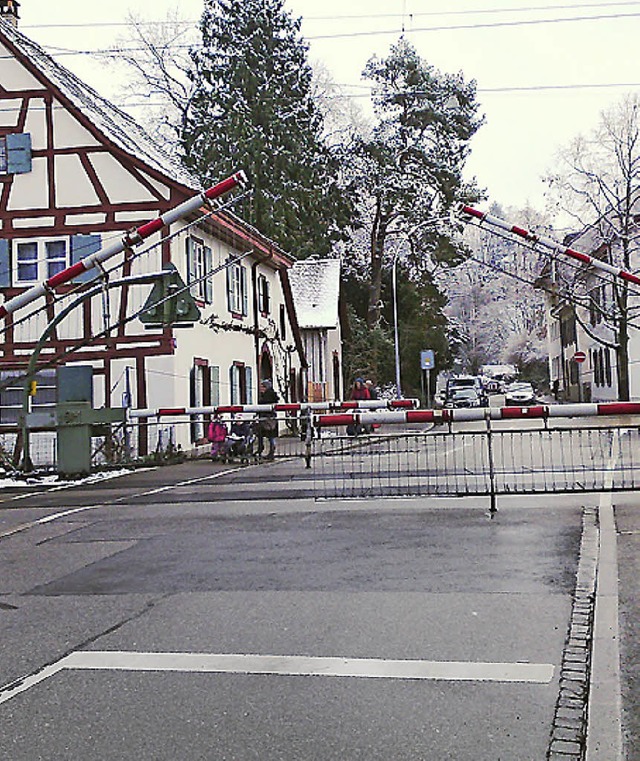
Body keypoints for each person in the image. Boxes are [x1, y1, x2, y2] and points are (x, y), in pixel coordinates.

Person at [257, 379, 279, 460]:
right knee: (269, 436)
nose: (261, 389)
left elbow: (263, 405)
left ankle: (267, 451)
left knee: (269, 436)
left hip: (267, 419)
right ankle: (268, 451)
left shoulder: (267, 396)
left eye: (262, 387)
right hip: (269, 418)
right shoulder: (270, 395)